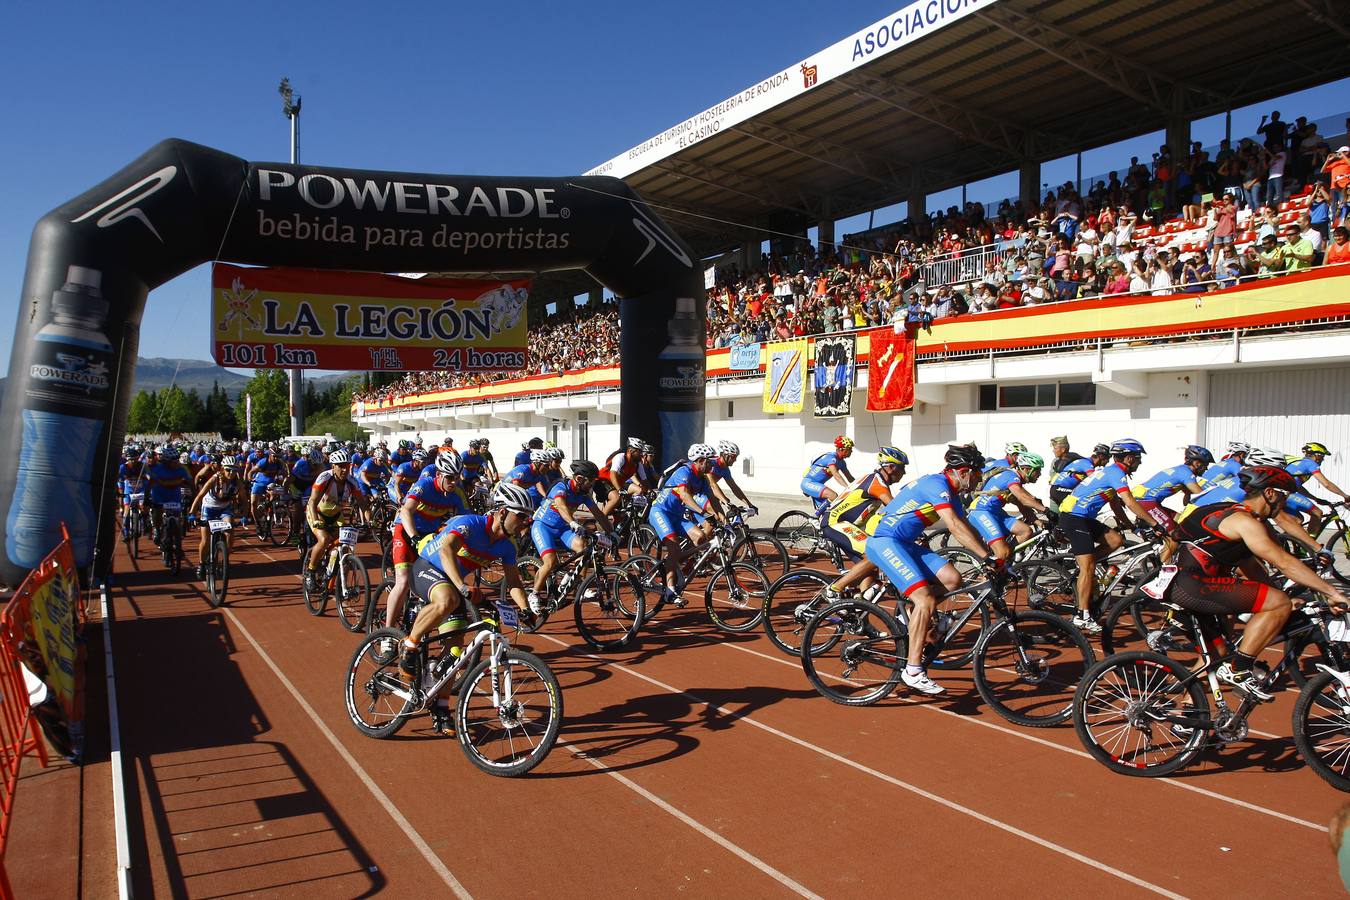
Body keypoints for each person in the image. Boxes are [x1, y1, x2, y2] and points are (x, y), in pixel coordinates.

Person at [1171, 465, 1348, 700]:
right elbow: (1283, 562)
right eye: (1283, 497)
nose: (1283, 505)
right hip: (1194, 587)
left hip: (1181, 585)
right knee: (1279, 604)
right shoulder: (1245, 522)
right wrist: (1331, 592)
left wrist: (1277, 593)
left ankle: (1187, 715)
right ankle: (1240, 669)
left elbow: (1251, 566)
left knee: (1215, 657)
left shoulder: (1226, 511)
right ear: (1270, 494)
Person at [865, 443, 996, 695]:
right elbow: (954, 526)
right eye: (979, 474)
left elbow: (966, 526)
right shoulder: (937, 485)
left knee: (952, 578)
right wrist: (986, 558)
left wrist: (991, 555)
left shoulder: (952, 492)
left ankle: (911, 614)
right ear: (965, 471)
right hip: (885, 542)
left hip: (904, 543)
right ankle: (913, 670)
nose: (980, 480)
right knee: (925, 598)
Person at [399, 483, 536, 679]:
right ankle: (410, 644)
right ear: (503, 512)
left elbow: (514, 582)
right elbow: (446, 550)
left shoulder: (508, 546)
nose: (525, 523)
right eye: (522, 516)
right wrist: (462, 586)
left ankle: (441, 704)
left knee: (454, 652)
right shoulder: (471, 524)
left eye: (528, 518)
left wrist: (525, 609)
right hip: (427, 568)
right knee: (448, 599)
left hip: (452, 583)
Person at [1057, 438, 1159, 633]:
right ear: (1129, 458)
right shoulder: (1116, 473)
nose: (1139, 462)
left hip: (1083, 518)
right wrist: (1154, 523)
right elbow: (1129, 501)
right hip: (1073, 518)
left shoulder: (1111, 472)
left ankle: (1084, 565)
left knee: (1116, 540)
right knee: (1089, 568)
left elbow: (1115, 504)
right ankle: (1082, 615)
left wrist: (1131, 526)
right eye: (1138, 458)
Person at [383, 451, 470, 643]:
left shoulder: (457, 494)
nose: (453, 482)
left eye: (457, 477)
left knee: (441, 579)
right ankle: (387, 635)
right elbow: (406, 510)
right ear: (438, 475)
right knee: (404, 581)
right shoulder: (424, 485)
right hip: (406, 531)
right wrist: (413, 537)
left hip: (430, 538)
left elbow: (467, 520)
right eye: (449, 477)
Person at [821, 447, 910, 597]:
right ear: (890, 467)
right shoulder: (877, 484)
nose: (904, 473)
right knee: (874, 554)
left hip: (846, 525)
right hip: (835, 523)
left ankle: (860, 604)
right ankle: (834, 590)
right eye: (902, 468)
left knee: (870, 568)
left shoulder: (875, 479)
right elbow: (895, 508)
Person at [528, 460, 616, 613]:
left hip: (562, 529)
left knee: (583, 548)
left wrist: (612, 532)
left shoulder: (583, 494)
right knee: (550, 561)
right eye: (591, 481)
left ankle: (578, 586)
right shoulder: (561, 486)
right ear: (580, 479)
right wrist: (573, 522)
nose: (593, 484)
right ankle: (534, 594)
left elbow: (599, 514)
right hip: (543, 526)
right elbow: (561, 506)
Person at [648, 443, 729, 604]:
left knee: (700, 538)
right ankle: (670, 591)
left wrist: (725, 521)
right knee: (674, 547)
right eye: (709, 461)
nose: (713, 464)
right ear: (699, 461)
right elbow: (685, 496)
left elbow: (713, 500)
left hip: (676, 516)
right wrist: (704, 514)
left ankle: (674, 562)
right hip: (660, 512)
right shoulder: (684, 471)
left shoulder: (702, 478)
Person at [302, 450, 370, 593]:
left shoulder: (352, 482)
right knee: (324, 539)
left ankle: (337, 578)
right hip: (317, 513)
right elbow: (312, 502)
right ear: (333, 466)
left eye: (347, 466)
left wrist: (370, 521)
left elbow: (363, 505)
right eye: (340, 466)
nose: (344, 469)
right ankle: (311, 572)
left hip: (336, 515)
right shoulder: (324, 478)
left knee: (345, 546)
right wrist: (315, 521)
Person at [1130, 445, 1212, 562]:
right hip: (1146, 502)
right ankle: (1162, 570)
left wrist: (1187, 494)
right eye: (1206, 465)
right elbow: (1202, 496)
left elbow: (1186, 501)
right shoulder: (1186, 474)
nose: (1206, 469)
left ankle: (1166, 554)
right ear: (1198, 463)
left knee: (1182, 520)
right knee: (1174, 537)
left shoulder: (1181, 471)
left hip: (1149, 502)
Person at [968, 452, 1054, 563]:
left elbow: (1023, 506)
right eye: (1038, 470)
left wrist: (1039, 523)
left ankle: (1006, 562)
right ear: (1027, 469)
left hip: (995, 513)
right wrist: (1046, 510)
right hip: (981, 512)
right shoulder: (1012, 477)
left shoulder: (1014, 480)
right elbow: (1023, 498)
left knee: (1025, 531)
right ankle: (991, 572)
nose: (1040, 474)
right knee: (1002, 551)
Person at [189, 455, 243, 580]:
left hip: (225, 508)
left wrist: (245, 516)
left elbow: (244, 500)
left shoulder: (238, 483)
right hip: (209, 508)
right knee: (206, 540)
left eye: (235, 470)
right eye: (229, 470)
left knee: (230, 530)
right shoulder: (214, 479)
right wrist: (192, 513)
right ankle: (202, 564)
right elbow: (200, 495)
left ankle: (225, 557)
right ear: (223, 469)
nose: (232, 473)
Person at [1284, 441, 1350, 535]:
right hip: (1285, 494)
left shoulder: (1300, 462)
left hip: (1280, 493)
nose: (1322, 460)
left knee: (1298, 520)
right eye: (1323, 457)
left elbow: (1297, 487)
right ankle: (1309, 545)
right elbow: (1326, 484)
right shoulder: (1311, 464)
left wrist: (1315, 499)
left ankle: (1282, 541)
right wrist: (1345, 495)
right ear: (1317, 456)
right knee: (1317, 513)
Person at [596, 437, 653, 517]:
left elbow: (644, 480)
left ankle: (618, 527)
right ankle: (600, 521)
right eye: (639, 451)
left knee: (623, 513)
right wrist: (620, 490)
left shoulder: (637, 463)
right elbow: (613, 474)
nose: (641, 454)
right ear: (630, 451)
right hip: (602, 481)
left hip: (617, 484)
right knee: (616, 498)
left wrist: (651, 491)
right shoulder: (621, 457)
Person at [800, 436, 855, 509]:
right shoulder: (831, 458)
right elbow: (836, 475)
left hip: (817, 485)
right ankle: (814, 518)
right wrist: (847, 488)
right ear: (843, 449)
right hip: (808, 483)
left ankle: (816, 519)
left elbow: (850, 478)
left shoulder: (842, 463)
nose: (851, 451)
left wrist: (861, 486)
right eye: (849, 449)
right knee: (833, 496)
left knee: (832, 509)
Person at [1049, 443, 1109, 509]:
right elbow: (1094, 481)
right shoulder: (1087, 464)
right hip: (1060, 490)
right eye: (1108, 458)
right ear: (1101, 456)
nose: (1108, 461)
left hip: (1057, 489)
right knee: (1081, 506)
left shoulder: (1084, 461)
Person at [707, 440, 756, 516]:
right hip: (695, 491)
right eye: (733, 457)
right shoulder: (711, 463)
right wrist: (727, 502)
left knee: (719, 511)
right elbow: (712, 485)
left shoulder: (725, 469)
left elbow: (734, 487)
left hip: (706, 491)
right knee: (717, 514)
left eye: (736, 457)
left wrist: (750, 504)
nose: (735, 460)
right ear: (725, 455)